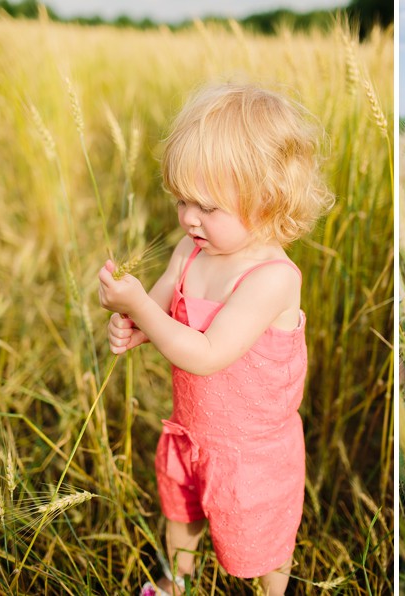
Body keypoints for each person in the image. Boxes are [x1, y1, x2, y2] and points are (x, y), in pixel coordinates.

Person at [98, 82, 333, 595]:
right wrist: (132, 322)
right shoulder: (191, 250)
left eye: (206, 206)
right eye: (182, 200)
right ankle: (176, 577)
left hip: (251, 453)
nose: (188, 217)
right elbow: (162, 311)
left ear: (268, 202)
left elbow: (206, 354)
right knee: (180, 511)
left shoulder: (273, 278)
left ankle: (275, 591)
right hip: (192, 430)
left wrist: (140, 307)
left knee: (262, 540)